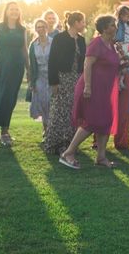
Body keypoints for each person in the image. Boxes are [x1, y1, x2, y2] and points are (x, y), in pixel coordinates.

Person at [60, 15, 124, 169]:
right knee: (92, 121)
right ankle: (68, 152)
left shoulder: (112, 45)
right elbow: (87, 65)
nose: (115, 27)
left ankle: (101, 157)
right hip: (92, 88)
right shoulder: (97, 43)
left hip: (105, 90)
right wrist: (88, 86)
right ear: (104, 28)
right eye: (112, 25)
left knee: (106, 121)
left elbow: (112, 66)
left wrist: (123, 60)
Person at [0, 1, 29, 146]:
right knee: (3, 96)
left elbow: (24, 50)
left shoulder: (22, 29)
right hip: (2, 66)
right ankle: (3, 133)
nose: (14, 12)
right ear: (6, 11)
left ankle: (5, 130)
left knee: (11, 99)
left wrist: (29, 69)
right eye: (12, 9)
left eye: (17, 9)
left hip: (17, 67)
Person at [45, 11, 87, 155]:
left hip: (77, 79)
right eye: (82, 21)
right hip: (62, 78)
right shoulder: (59, 38)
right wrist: (54, 82)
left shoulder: (81, 40)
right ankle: (54, 143)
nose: (84, 24)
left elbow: (84, 61)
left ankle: (69, 143)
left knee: (73, 111)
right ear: (75, 23)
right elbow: (52, 61)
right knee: (58, 110)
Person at [111, 5, 129, 150]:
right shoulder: (116, 26)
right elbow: (116, 42)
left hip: (126, 65)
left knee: (124, 108)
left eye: (127, 14)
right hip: (115, 64)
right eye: (123, 14)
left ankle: (122, 140)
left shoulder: (127, 27)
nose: (125, 17)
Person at [28, 18, 53, 138]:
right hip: (39, 78)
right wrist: (31, 82)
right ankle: (46, 130)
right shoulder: (33, 45)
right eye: (38, 27)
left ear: (46, 28)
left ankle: (52, 130)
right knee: (42, 104)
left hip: (52, 77)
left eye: (43, 26)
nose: (40, 29)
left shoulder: (53, 42)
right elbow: (32, 66)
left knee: (51, 103)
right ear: (36, 29)